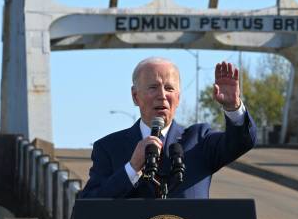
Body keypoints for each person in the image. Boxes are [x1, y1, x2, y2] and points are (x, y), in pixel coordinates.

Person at [79, 57, 256, 199]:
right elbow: (90, 204)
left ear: (178, 98)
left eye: (169, 88)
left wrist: (233, 107)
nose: (162, 96)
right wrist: (132, 168)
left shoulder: (199, 140)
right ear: (135, 96)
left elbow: (241, 142)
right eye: (153, 87)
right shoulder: (109, 148)